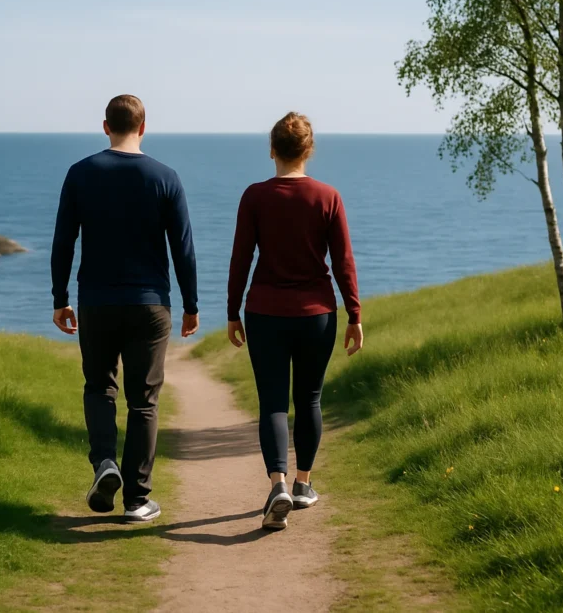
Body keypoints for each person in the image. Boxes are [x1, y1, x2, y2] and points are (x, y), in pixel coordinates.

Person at [51, 94, 199, 523]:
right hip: (150, 305)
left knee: (99, 388)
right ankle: (136, 499)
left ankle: (104, 462)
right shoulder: (165, 177)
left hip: (96, 302)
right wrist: (191, 304)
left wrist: (59, 299)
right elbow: (183, 248)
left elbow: (64, 241)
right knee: (143, 402)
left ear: (105, 127)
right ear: (143, 126)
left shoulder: (80, 173)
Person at [226, 112, 364, 531]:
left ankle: (278, 485)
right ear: (309, 150)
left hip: (265, 312)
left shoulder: (255, 196)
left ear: (272, 150)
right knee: (309, 400)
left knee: (272, 402)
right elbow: (343, 261)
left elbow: (240, 258)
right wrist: (354, 314)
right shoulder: (328, 196)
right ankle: (303, 484)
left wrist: (232, 311)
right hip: (316, 315)